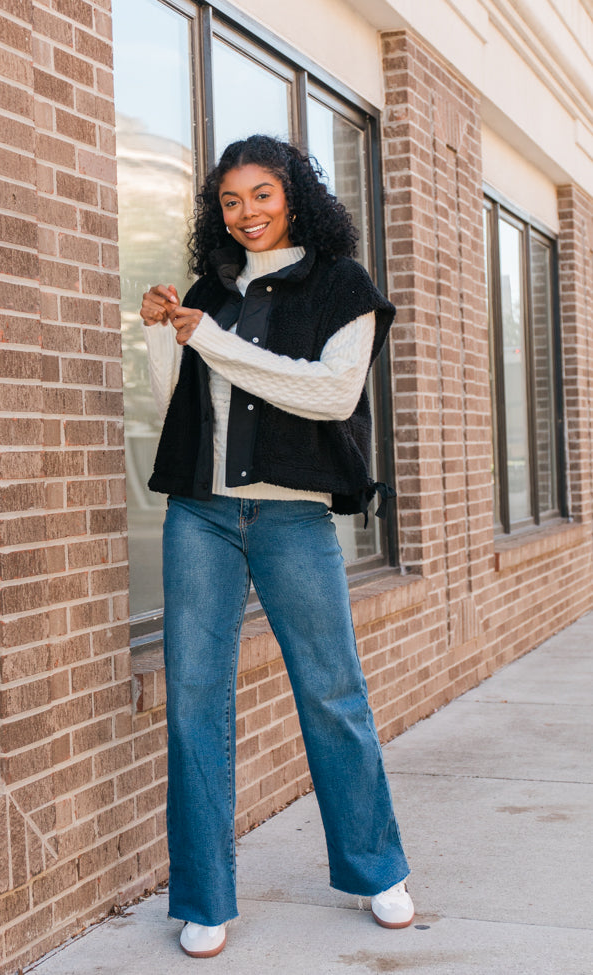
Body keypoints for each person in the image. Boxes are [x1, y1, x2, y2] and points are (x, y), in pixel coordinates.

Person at [139, 134, 413, 959]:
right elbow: (177, 406)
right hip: (203, 514)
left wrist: (208, 340)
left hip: (293, 517)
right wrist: (165, 332)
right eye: (230, 200)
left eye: (261, 194)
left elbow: (329, 392)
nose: (246, 213)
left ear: (294, 195)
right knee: (194, 700)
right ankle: (205, 895)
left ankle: (375, 869)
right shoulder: (209, 289)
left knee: (333, 692)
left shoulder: (342, 286)